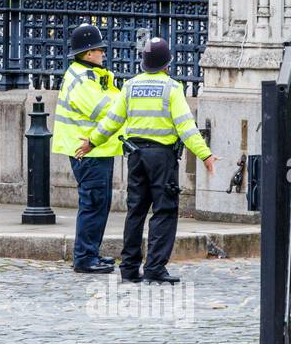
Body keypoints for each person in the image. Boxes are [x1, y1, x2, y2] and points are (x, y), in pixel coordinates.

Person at [80, 37, 217, 283]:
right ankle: (154, 267)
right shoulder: (172, 88)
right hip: (162, 159)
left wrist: (92, 141)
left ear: (143, 63)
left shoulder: (130, 86)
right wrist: (204, 154)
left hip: (135, 157)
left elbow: (112, 120)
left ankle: (129, 269)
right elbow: (186, 127)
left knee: (136, 211)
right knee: (164, 211)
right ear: (167, 64)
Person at [52, 23, 121, 274]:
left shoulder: (92, 75)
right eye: (100, 49)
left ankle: (91, 253)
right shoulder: (81, 78)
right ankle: (84, 258)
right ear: (89, 53)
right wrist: (125, 102)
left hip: (98, 149)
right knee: (93, 204)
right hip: (87, 150)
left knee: (100, 203)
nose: (104, 53)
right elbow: (103, 108)